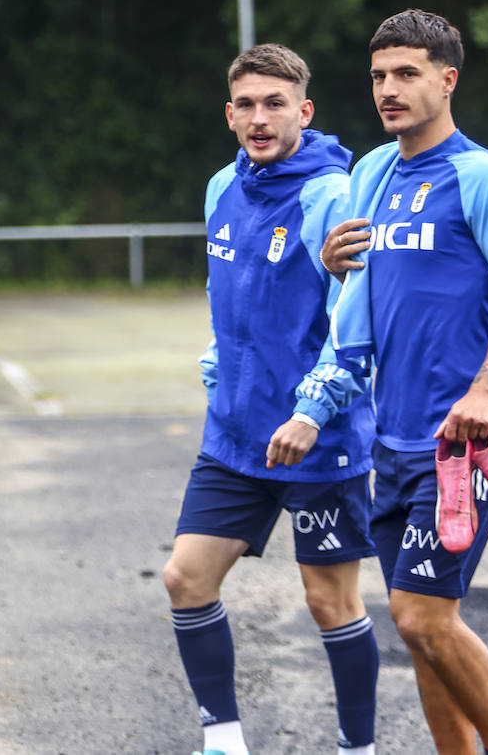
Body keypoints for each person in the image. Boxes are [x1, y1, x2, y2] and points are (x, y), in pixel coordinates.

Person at [322, 9, 488, 755]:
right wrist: (331, 268)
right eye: (380, 76)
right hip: (392, 439)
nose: (389, 89)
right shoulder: (370, 173)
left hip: (464, 441)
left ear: (448, 81)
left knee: (423, 616)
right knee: (419, 631)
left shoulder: (481, 176)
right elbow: (360, 298)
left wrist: (483, 394)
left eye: (408, 74)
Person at [163, 44, 380, 755]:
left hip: (318, 438)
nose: (261, 117)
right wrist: (216, 362)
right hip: (235, 434)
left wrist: (312, 412)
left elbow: (355, 324)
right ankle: (223, 740)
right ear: (229, 115)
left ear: (304, 111)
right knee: (186, 578)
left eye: (275, 103)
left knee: (330, 603)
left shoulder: (331, 198)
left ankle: (358, 747)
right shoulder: (220, 185)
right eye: (247, 105)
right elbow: (224, 297)